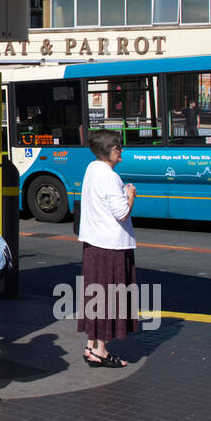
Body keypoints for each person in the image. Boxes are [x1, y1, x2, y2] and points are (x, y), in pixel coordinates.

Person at [77, 128, 138, 367]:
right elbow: (121, 213)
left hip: (94, 244)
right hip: (111, 247)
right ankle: (101, 350)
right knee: (110, 296)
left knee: (95, 295)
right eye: (118, 148)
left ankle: (91, 346)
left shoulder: (92, 169)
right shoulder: (111, 177)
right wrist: (130, 194)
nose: (121, 151)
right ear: (109, 151)